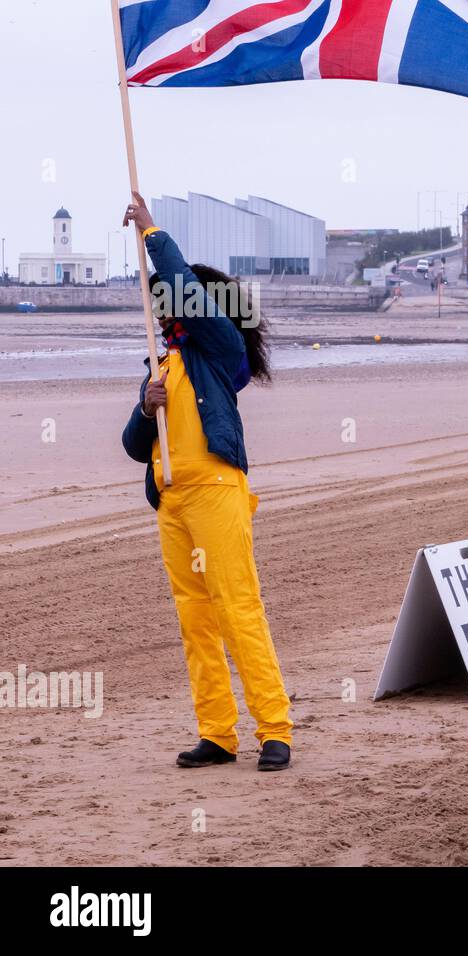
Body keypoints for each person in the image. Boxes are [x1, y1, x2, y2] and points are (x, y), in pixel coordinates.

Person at [120, 193, 293, 771]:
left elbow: (186, 292)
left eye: (166, 302)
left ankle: (275, 729)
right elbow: (131, 446)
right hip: (171, 502)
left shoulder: (218, 350)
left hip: (218, 492)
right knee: (195, 621)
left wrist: (152, 235)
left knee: (238, 609)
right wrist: (146, 408)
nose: (162, 311)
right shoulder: (159, 361)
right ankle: (218, 733)